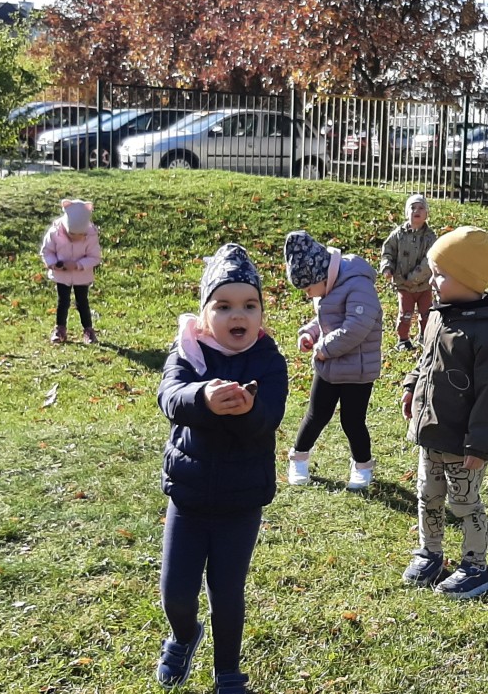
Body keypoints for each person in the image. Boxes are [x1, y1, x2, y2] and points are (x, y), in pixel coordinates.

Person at [154, 244, 288, 694]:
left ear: (261, 315)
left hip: (240, 501)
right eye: (225, 305)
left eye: (250, 305)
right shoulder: (188, 353)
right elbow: (170, 397)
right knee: (176, 591)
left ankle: (228, 672)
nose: (239, 315)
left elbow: (270, 415)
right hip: (188, 499)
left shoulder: (269, 359)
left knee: (227, 592)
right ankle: (183, 635)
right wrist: (204, 398)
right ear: (205, 313)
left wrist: (248, 410)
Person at [400, 226, 488, 599]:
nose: (432, 281)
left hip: (463, 441)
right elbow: (426, 357)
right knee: (427, 495)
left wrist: (478, 446)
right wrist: (411, 384)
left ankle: (475, 567)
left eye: (440, 274)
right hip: (431, 429)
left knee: (463, 503)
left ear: (468, 280)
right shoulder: (440, 313)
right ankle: (430, 552)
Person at [284, 230, 384, 490]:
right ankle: (299, 458)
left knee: (352, 421)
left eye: (307, 288)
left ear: (319, 276)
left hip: (357, 370)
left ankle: (362, 465)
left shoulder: (358, 284)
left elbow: (356, 328)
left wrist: (323, 348)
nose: (308, 295)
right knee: (316, 415)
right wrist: (310, 333)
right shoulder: (328, 286)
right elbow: (326, 319)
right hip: (329, 367)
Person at [379, 193, 437, 351]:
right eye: (412, 208)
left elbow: (429, 260)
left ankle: (425, 336)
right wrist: (387, 267)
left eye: (421, 208)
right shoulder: (398, 234)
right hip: (403, 284)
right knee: (405, 314)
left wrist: (414, 277)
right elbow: (388, 251)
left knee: (427, 313)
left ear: (426, 214)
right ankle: (403, 339)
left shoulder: (430, 237)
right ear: (406, 213)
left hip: (424, 285)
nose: (416, 211)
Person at [39, 198, 101, 344]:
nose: (75, 238)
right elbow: (47, 251)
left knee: (82, 302)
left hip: (82, 275)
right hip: (62, 275)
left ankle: (88, 330)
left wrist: (79, 265)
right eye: (71, 234)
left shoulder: (91, 235)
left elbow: (95, 257)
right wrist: (54, 264)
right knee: (63, 301)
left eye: (79, 236)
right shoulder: (55, 232)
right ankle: (60, 329)